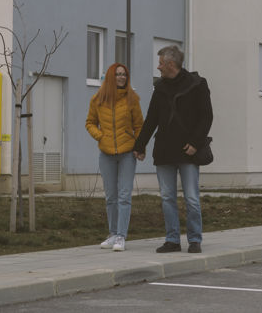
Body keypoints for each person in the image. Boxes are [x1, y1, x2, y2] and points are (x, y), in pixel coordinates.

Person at [134, 45, 213, 254]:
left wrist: (195, 143)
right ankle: (172, 240)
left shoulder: (197, 84)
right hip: (164, 151)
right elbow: (151, 119)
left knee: (192, 198)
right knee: (167, 197)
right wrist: (139, 145)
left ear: (170, 64)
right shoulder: (160, 88)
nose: (158, 67)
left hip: (188, 151)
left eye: (160, 63)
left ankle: (195, 240)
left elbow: (207, 116)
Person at [85, 63, 143, 252]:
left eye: (124, 74)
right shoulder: (98, 99)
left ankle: (121, 236)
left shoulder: (132, 99)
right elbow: (90, 123)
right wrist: (100, 136)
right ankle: (112, 234)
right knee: (111, 196)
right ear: (111, 77)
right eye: (118, 74)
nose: (121, 77)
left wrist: (139, 146)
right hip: (106, 154)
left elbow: (139, 125)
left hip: (127, 153)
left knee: (124, 196)